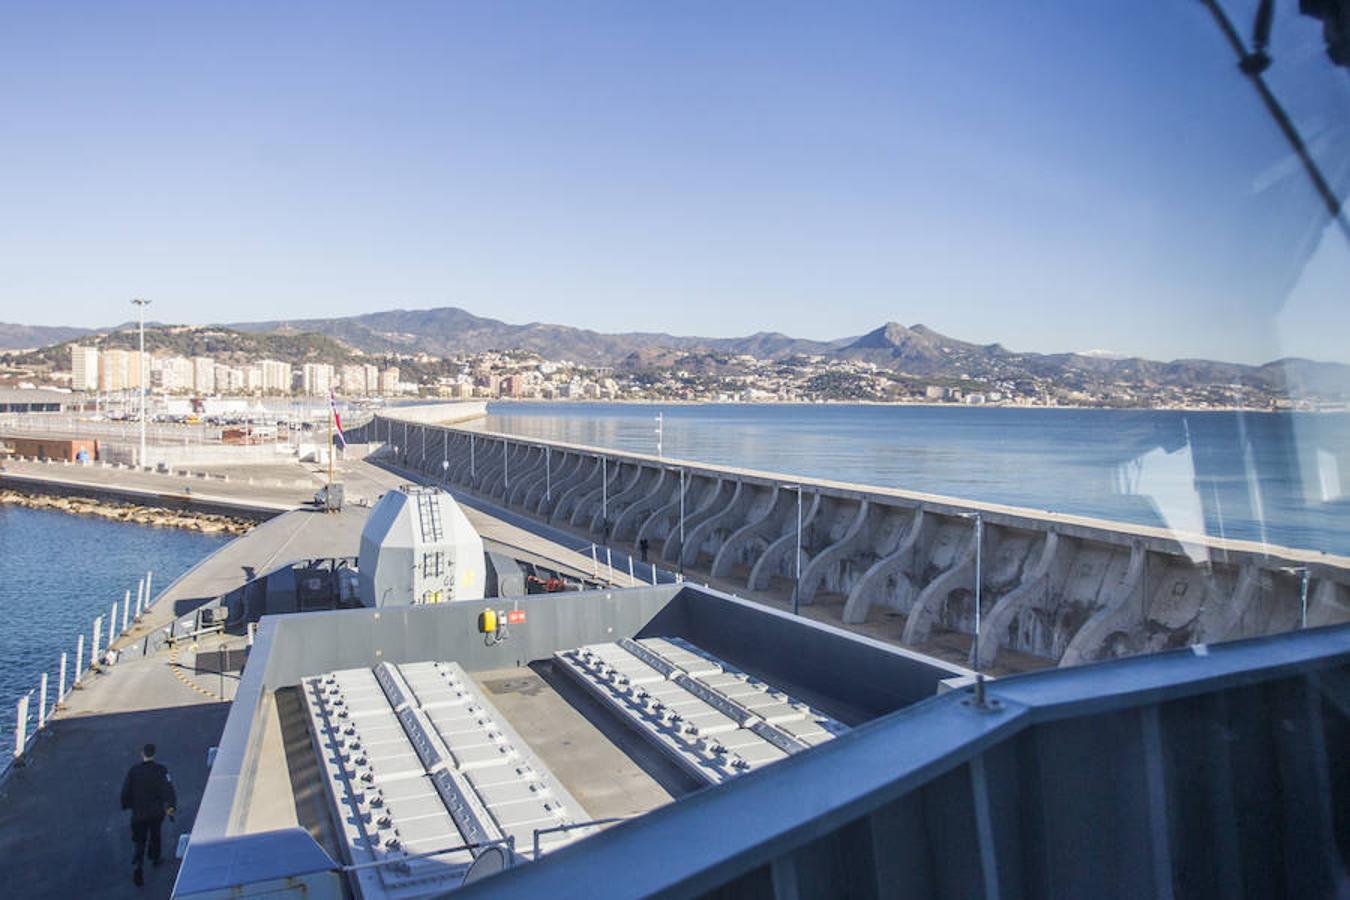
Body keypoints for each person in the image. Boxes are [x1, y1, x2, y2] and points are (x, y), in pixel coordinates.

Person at [120, 743, 176, 886]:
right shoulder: (161, 770)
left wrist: (127, 805)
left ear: (142, 754)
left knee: (140, 840)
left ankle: (138, 864)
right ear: (154, 754)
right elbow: (168, 790)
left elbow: (126, 791)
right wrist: (170, 807)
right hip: (156, 812)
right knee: (155, 835)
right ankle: (155, 857)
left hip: (139, 813)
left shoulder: (134, 771)